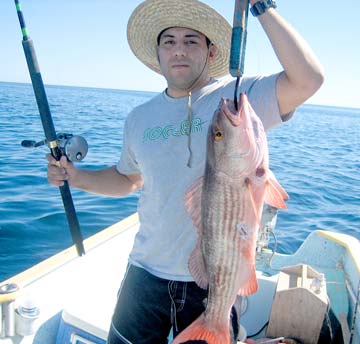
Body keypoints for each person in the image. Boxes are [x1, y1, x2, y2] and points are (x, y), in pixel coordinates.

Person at [47, 0, 324, 343]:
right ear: (159, 54)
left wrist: (262, 7)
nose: (179, 50)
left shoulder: (237, 98)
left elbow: (308, 79)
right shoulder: (139, 118)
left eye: (191, 41)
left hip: (213, 278)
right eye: (169, 42)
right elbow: (127, 179)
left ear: (210, 53)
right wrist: (76, 176)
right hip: (144, 273)